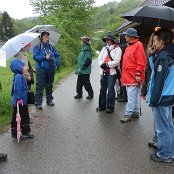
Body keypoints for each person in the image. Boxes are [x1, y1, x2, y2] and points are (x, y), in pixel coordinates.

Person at [146, 29, 174, 163]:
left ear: (162, 41)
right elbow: (156, 71)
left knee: (162, 128)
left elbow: (159, 81)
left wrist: (154, 100)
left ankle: (164, 154)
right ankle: (171, 151)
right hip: (169, 95)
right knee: (168, 126)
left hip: (161, 97)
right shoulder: (169, 53)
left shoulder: (164, 56)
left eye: (155, 41)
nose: (153, 43)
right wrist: (152, 56)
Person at [120, 28, 146, 122]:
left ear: (131, 36)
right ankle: (135, 112)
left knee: (131, 96)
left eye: (126, 35)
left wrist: (138, 74)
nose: (125, 37)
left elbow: (141, 61)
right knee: (133, 95)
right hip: (129, 76)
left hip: (134, 76)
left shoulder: (138, 45)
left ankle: (128, 114)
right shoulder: (129, 46)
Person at [33, 31, 61, 110]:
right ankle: (38, 103)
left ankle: (49, 100)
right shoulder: (37, 47)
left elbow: (57, 55)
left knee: (49, 85)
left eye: (47, 35)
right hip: (41, 69)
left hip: (51, 69)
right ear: (41, 37)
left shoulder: (51, 47)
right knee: (40, 86)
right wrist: (45, 57)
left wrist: (57, 63)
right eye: (45, 35)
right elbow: (35, 57)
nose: (47, 37)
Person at [97, 31, 122, 113]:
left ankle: (110, 107)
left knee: (110, 89)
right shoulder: (104, 48)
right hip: (103, 72)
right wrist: (102, 64)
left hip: (112, 72)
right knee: (103, 89)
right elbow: (99, 58)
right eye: (106, 39)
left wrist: (107, 64)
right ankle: (102, 105)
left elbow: (117, 61)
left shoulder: (117, 49)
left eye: (109, 39)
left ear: (112, 40)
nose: (107, 41)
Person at [10, 58, 34, 139]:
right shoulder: (18, 76)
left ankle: (15, 131)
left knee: (17, 115)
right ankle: (25, 131)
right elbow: (17, 89)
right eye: (23, 67)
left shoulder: (20, 76)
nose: (25, 68)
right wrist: (18, 98)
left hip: (21, 101)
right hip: (20, 102)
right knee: (23, 116)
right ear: (18, 68)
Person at [117, 33, 128, 102]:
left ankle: (124, 96)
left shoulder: (121, 46)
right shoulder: (127, 45)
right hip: (126, 65)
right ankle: (122, 95)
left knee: (122, 81)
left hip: (121, 65)